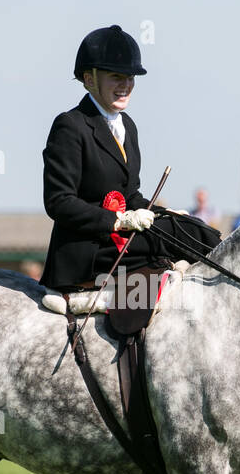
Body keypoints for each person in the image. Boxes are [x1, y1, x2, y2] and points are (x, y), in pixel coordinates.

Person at [38, 24, 221, 296]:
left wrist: (161, 213)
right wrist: (119, 221)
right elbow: (59, 202)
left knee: (191, 228)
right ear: (89, 79)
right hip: (86, 251)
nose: (126, 85)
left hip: (120, 241)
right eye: (116, 77)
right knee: (182, 235)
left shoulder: (128, 127)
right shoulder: (71, 125)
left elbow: (130, 194)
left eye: (130, 77)